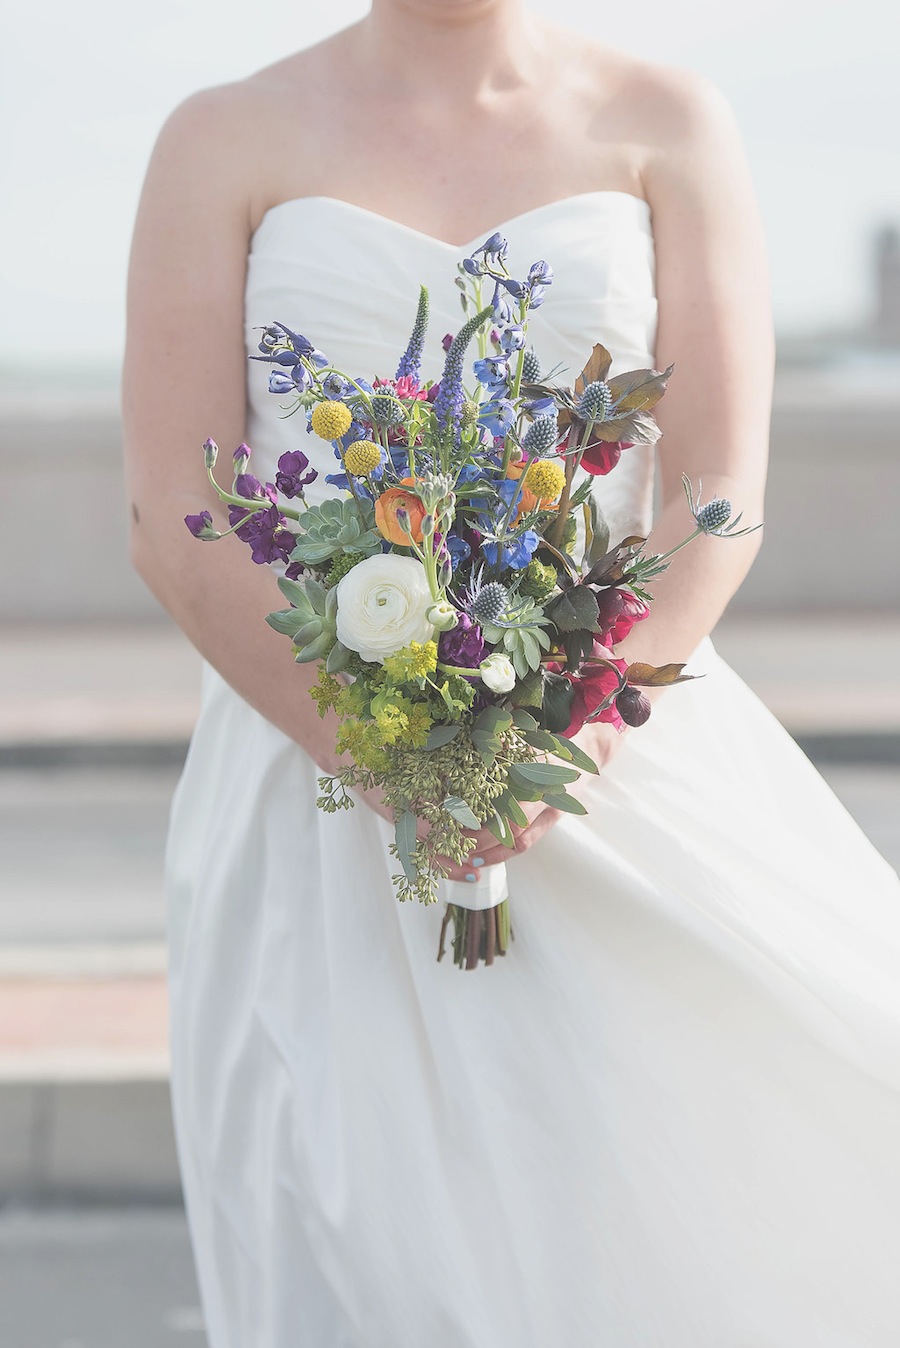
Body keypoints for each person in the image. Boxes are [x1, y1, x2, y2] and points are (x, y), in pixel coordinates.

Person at [123, 3, 900, 1344]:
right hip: (311, 799)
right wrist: (388, 759)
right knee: (361, 1254)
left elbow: (720, 493)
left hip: (619, 765)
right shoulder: (220, 137)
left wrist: (566, 739)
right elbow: (177, 518)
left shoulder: (669, 120)